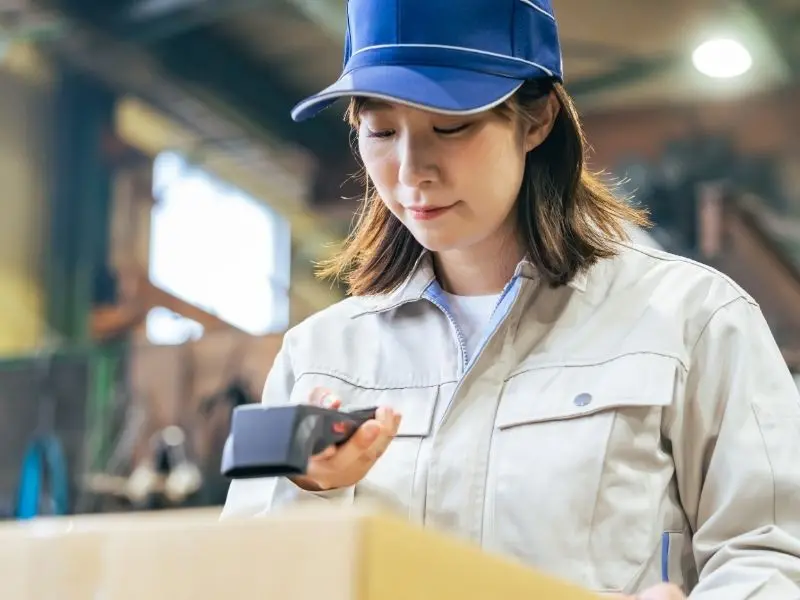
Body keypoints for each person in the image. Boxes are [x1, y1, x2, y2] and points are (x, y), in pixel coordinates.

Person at [222, 0, 800, 597]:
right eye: (382, 130)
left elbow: (769, 550)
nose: (411, 170)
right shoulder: (319, 357)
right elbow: (245, 578)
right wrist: (313, 493)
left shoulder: (693, 321)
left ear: (538, 118)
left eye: (450, 126)